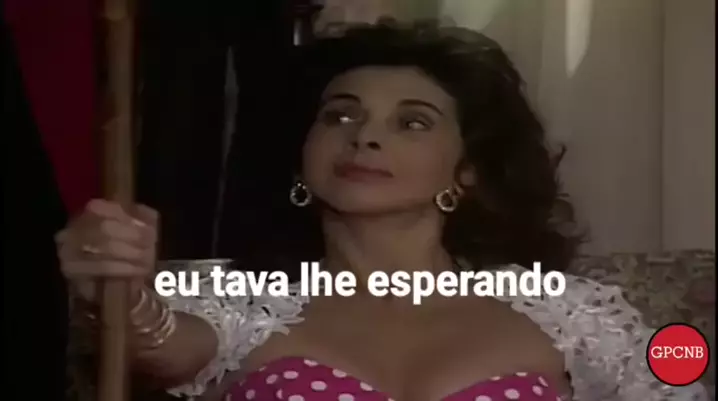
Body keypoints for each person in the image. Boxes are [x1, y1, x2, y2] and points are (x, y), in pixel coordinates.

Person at [57, 21, 708, 401]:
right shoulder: (242, 306)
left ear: (466, 170)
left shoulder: (571, 315)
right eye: (340, 115)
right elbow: (159, 345)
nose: (365, 136)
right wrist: (117, 285)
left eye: (412, 122)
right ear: (300, 157)